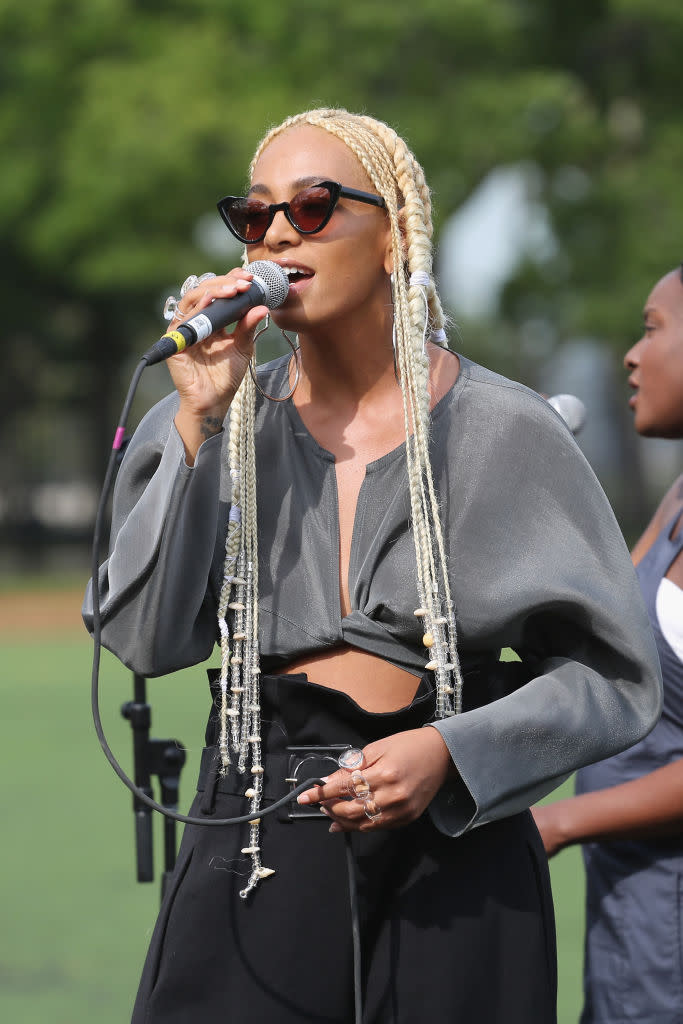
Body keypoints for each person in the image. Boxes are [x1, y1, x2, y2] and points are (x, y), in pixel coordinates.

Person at [83, 108, 662, 1024]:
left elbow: (611, 675)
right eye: (254, 215)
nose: (276, 232)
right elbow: (144, 637)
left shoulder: (505, 428)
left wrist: (451, 750)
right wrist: (197, 420)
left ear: (395, 233)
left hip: (455, 835)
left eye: (311, 208)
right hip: (262, 821)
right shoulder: (214, 419)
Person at [533, 265, 683, 1024]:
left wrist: (556, 822)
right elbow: (599, 632)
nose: (630, 354)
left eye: (653, 328)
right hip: (629, 910)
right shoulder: (681, 493)